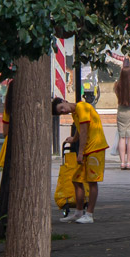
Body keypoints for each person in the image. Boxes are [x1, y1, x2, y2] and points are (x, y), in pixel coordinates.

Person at [53, 96, 109, 224]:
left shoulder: (82, 108)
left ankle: (89, 214)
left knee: (92, 181)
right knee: (76, 179)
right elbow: (80, 129)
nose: (63, 111)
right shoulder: (76, 112)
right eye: (61, 112)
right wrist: (74, 138)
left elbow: (84, 132)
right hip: (88, 149)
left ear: (64, 101)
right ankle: (78, 213)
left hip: (95, 148)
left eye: (62, 108)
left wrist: (80, 153)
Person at [113, 58, 130, 170]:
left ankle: (122, 162)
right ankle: (129, 162)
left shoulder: (117, 85)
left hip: (121, 111)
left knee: (122, 137)